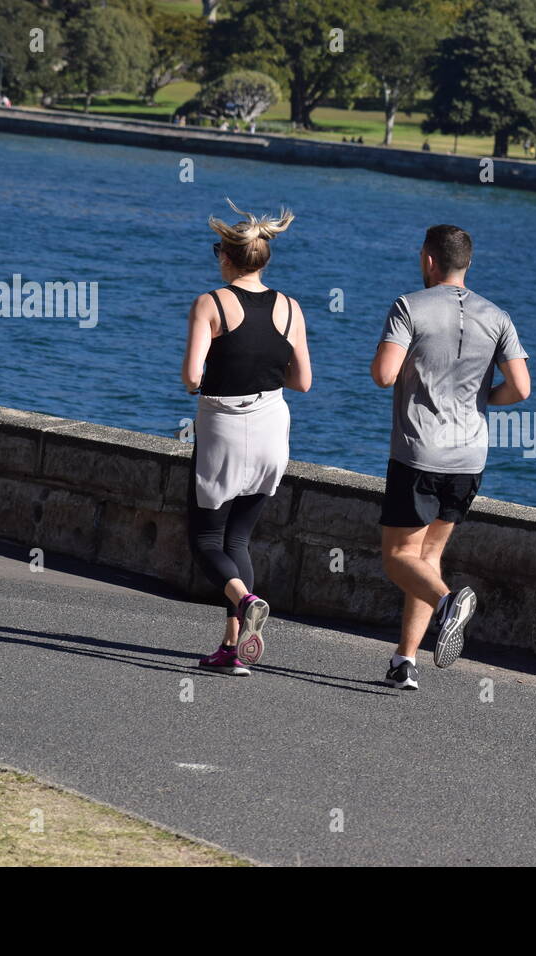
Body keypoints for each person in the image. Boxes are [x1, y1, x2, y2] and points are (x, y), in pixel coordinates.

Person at [370, 225, 531, 690]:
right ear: (467, 263)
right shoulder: (497, 316)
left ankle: (446, 605)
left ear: (427, 259)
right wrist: (479, 400)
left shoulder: (408, 307)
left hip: (419, 452)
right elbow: (521, 388)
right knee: (428, 555)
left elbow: (383, 375)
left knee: (398, 557)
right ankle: (405, 661)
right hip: (469, 457)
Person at [182, 199, 312, 676]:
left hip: (224, 426)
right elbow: (303, 382)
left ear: (226, 257)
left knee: (204, 540)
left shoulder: (211, 303)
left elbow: (191, 377)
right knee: (238, 539)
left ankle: (247, 597)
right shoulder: (292, 308)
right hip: (272, 427)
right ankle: (232, 650)